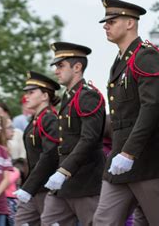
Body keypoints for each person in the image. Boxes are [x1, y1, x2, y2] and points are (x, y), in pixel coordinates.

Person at [93, 0, 159, 226]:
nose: (106, 26)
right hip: (120, 158)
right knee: (103, 220)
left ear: (130, 23)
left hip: (147, 160)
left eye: (112, 21)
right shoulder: (120, 62)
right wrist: (122, 153)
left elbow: (152, 108)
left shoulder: (147, 56)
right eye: (105, 22)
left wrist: (129, 153)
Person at [40, 42, 105, 226]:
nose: (56, 71)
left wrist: (64, 170)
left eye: (61, 66)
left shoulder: (88, 96)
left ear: (77, 67)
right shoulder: (69, 97)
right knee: (48, 221)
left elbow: (89, 138)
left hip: (85, 181)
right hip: (64, 184)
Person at [14, 71, 60, 226]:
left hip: (46, 188)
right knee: (20, 222)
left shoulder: (49, 119)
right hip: (34, 187)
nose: (26, 96)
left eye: (31, 92)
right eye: (26, 92)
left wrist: (28, 186)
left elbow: (50, 155)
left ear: (45, 96)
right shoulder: (36, 120)